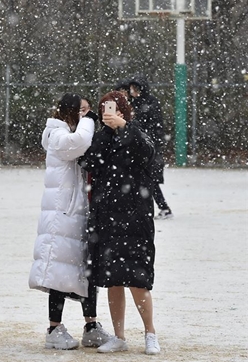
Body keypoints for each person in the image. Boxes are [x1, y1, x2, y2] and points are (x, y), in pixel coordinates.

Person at [79, 91, 161, 355]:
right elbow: (88, 161)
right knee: (113, 280)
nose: (109, 112)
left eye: (113, 108)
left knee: (138, 280)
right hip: (108, 218)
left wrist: (124, 127)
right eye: (105, 109)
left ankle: (150, 332)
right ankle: (119, 336)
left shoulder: (138, 133)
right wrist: (101, 130)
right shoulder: (102, 139)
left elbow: (148, 153)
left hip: (136, 218)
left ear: (125, 111)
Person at [29, 93, 112, 350]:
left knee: (88, 271)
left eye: (87, 111)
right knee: (59, 271)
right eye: (82, 111)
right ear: (69, 111)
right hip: (62, 216)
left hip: (81, 211)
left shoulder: (77, 136)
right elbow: (79, 141)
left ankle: (91, 325)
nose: (86, 116)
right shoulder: (57, 135)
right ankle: (54, 328)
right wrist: (90, 121)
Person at [129, 75, 173, 220]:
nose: (132, 92)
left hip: (149, 147)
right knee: (147, 179)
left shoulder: (149, 104)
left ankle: (163, 207)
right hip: (144, 145)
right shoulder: (135, 103)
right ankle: (161, 207)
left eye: (134, 89)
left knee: (150, 179)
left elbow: (154, 126)